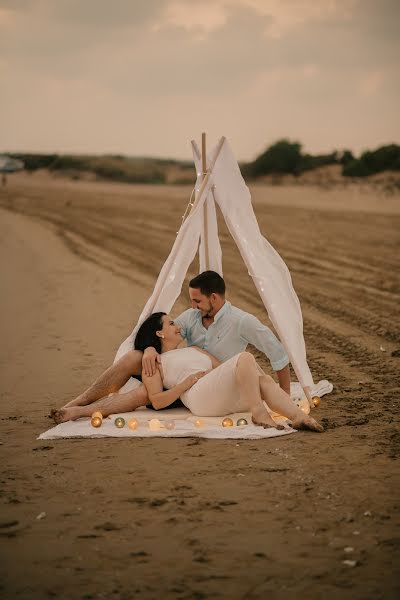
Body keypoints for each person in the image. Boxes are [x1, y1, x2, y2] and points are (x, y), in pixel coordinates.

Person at [51, 271, 292, 423]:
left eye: (197, 300)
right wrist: (149, 348)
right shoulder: (191, 317)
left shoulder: (242, 321)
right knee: (133, 358)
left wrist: (285, 398)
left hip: (216, 386)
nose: (193, 305)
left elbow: (278, 355)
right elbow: (166, 333)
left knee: (147, 392)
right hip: (183, 383)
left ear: (214, 298)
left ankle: (81, 413)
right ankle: (78, 402)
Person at [134, 312, 323, 431]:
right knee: (245, 357)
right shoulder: (153, 362)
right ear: (159, 333)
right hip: (198, 397)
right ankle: (258, 412)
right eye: (172, 323)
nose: (178, 327)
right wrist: (186, 383)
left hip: (217, 392)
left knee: (262, 381)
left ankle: (298, 417)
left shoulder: (194, 350)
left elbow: (223, 369)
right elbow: (157, 402)